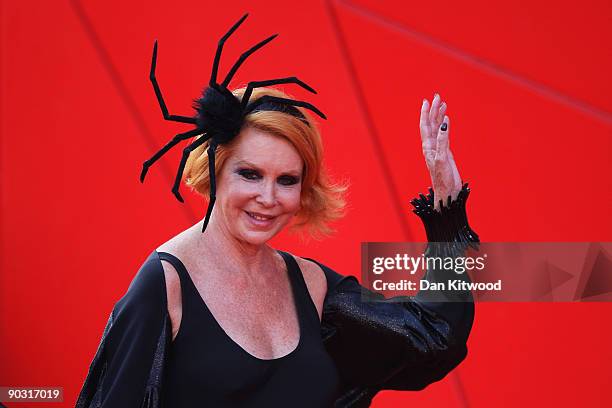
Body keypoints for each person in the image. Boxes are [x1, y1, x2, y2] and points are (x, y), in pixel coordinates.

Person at [75, 84, 478, 407]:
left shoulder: (311, 284)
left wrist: (447, 210)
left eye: (287, 180)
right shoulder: (166, 286)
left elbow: (432, 337)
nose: (268, 197)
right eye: (250, 174)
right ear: (214, 171)